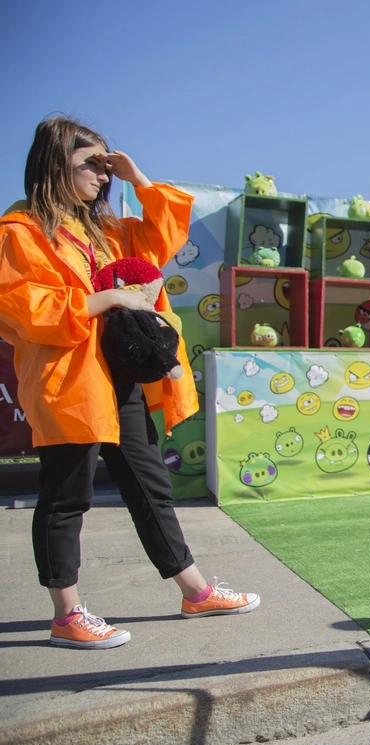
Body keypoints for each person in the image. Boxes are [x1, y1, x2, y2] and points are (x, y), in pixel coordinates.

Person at [0, 117, 259, 650]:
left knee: (150, 485)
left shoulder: (104, 230)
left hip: (119, 379)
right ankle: (66, 615)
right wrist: (111, 298)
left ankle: (195, 591)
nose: (103, 175)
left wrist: (137, 176)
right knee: (67, 495)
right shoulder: (20, 231)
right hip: (70, 382)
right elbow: (26, 309)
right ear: (55, 166)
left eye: (106, 164)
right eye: (90, 164)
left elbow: (163, 237)